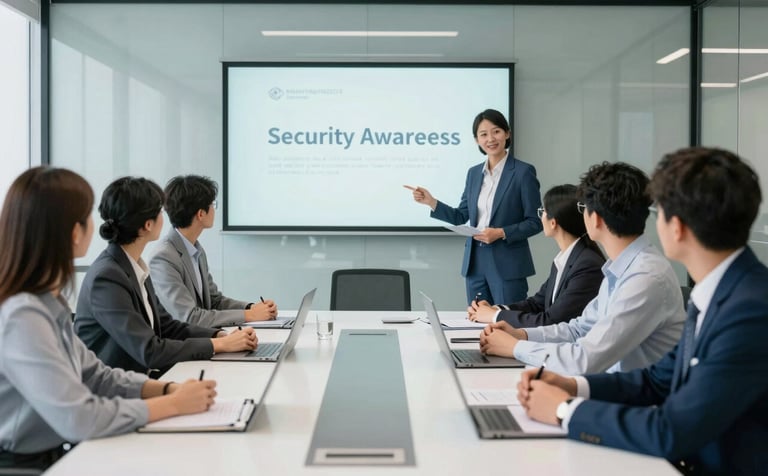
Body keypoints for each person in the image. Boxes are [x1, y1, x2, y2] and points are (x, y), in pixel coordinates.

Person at [518, 147, 768, 475]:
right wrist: (572, 386)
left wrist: (565, 410)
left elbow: (671, 430)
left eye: (658, 212)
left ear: (676, 227)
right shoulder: (723, 291)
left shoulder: (749, 310)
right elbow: (656, 381)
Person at [0, 167, 217, 471]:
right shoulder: (22, 316)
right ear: (75, 232)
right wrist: (173, 404)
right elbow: (79, 418)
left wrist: (168, 389)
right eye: (87, 215)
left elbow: (96, 376)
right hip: (31, 466)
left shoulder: (47, 302)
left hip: (61, 453)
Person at [479, 162, 685, 375]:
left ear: (595, 218)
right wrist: (522, 335)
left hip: (626, 392)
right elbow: (579, 329)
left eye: (583, 208)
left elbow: (586, 359)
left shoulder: (644, 277)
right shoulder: (620, 269)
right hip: (607, 385)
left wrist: (515, 347)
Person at [75, 177, 257, 375]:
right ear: (148, 225)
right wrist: (218, 345)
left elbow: (168, 327)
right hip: (117, 387)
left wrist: (220, 335)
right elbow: (149, 350)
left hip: (141, 378)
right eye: (160, 211)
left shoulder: (134, 266)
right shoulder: (107, 277)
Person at [406, 108, 542, 305]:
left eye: (496, 131)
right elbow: (461, 216)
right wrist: (431, 202)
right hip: (475, 262)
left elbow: (535, 222)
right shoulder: (474, 173)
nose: (490, 139)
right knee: (477, 319)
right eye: (483, 134)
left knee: (506, 318)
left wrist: (501, 232)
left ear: (507, 133)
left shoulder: (522, 172)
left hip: (507, 263)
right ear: (477, 140)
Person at [149, 175, 277, 328]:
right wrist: (249, 315)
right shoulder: (163, 257)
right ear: (201, 214)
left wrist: (251, 308)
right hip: (184, 340)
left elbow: (214, 301)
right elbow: (190, 317)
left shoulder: (196, 249)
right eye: (212, 204)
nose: (214, 210)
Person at [468, 184, 604, 327]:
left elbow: (550, 321)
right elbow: (536, 304)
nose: (541, 217)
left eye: (542, 211)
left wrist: (494, 316)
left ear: (553, 223)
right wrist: (496, 309)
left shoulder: (586, 265)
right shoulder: (566, 259)